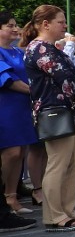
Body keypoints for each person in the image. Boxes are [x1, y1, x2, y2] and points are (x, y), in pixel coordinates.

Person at [22, 5, 75, 232]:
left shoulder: (51, 49)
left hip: (73, 111)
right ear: (45, 24)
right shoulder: (39, 49)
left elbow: (72, 76)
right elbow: (64, 77)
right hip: (55, 113)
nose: (65, 26)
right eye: (60, 22)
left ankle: (68, 210)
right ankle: (54, 216)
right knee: (58, 164)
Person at [0, 11, 39, 216]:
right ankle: (6, 197)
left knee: (20, 153)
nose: (16, 29)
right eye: (9, 25)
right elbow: (8, 80)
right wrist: (37, 91)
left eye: (15, 25)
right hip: (5, 108)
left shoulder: (18, 52)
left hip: (22, 108)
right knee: (11, 152)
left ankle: (12, 197)